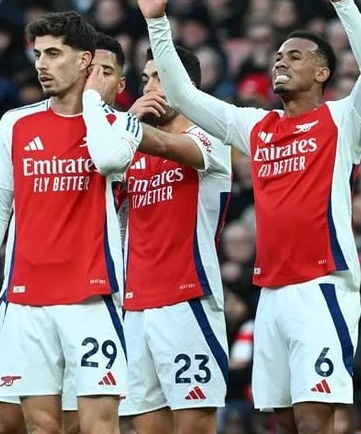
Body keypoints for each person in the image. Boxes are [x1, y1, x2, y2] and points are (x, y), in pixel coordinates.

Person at [130, 0, 361, 432]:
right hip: (271, 291)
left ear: (321, 71)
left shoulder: (342, 120)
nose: (280, 62)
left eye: (294, 57)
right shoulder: (257, 127)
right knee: (285, 424)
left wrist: (344, 5)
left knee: (317, 422)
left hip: (323, 284)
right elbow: (182, 94)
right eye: (277, 56)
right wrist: (156, 22)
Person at [0, 12, 141, 434]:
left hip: (92, 296)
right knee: (39, 427)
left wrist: (93, 101)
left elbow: (110, 160)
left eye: (54, 53)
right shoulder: (15, 123)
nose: (41, 63)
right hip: (26, 298)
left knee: (97, 426)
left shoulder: (119, 123)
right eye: (38, 54)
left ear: (84, 61)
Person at [115, 46, 232, 432]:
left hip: (188, 298)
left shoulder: (211, 138)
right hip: (134, 305)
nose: (149, 88)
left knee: (194, 426)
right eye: (145, 79)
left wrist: (121, 126)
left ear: (187, 86)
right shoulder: (128, 154)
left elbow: (165, 145)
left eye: (160, 78)